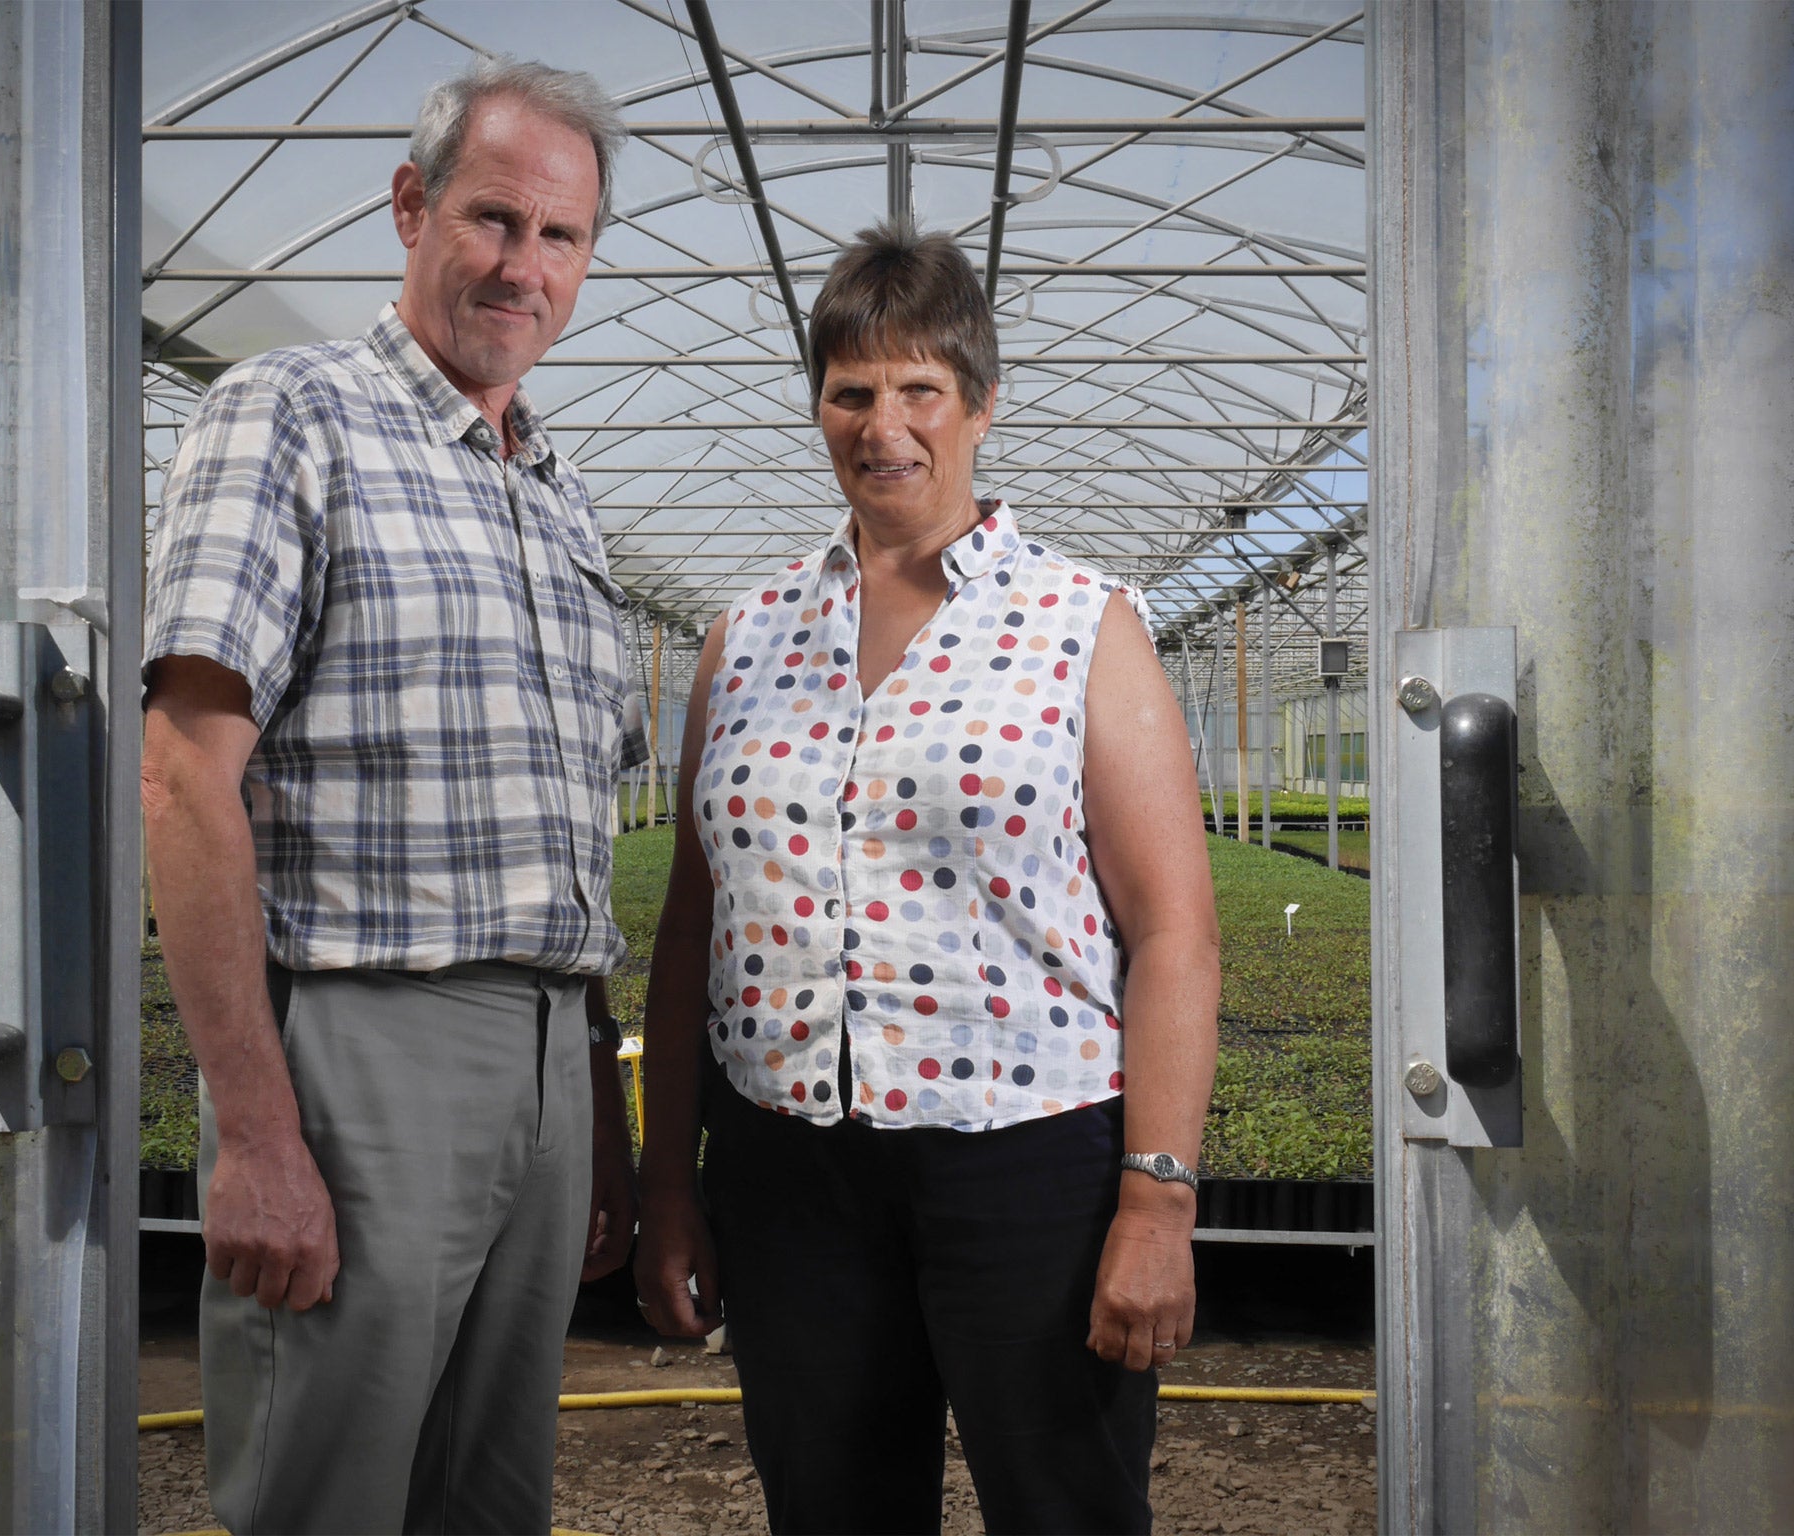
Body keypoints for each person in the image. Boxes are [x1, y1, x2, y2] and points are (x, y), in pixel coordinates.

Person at [633, 222, 1221, 1535]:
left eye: (919, 391)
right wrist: (670, 1181)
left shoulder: (1080, 623)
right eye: (850, 391)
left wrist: (1157, 1200)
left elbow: (1175, 933)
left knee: (1063, 1508)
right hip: (789, 1177)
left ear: (980, 405)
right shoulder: (748, 635)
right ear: (819, 407)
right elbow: (693, 929)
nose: (882, 425)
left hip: (1030, 1169)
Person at [141, 59, 639, 1534]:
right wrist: (254, 1132)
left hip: (548, 1051)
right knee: (332, 1487)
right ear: (413, 206)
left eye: (562, 238)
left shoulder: (553, 485)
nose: (522, 267)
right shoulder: (291, 416)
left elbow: (577, 843)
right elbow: (183, 775)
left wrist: (595, 1119)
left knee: (490, 1496)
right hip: (370, 1046)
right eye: (494, 219)